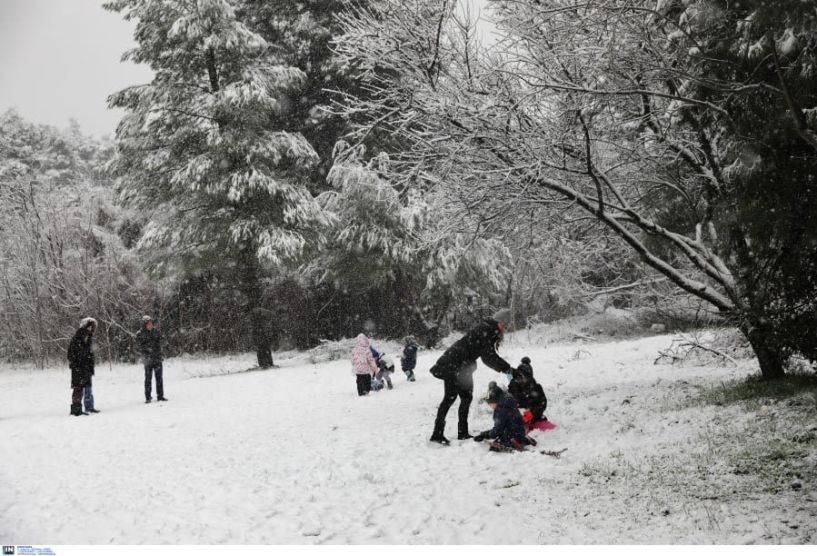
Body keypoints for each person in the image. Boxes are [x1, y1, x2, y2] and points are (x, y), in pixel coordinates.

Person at [428, 308, 514, 445]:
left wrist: (506, 368)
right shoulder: (486, 330)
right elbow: (488, 357)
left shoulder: (490, 330)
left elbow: (487, 355)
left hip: (464, 367)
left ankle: (462, 432)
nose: (505, 328)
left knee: (466, 398)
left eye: (506, 326)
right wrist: (507, 368)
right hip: (453, 364)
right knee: (449, 399)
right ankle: (437, 434)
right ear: (498, 322)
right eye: (504, 325)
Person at [473, 382, 535, 452]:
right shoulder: (508, 401)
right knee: (509, 429)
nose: (491, 407)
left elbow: (497, 430)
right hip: (519, 431)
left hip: (510, 434)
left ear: (494, 401)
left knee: (494, 447)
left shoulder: (501, 410)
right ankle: (520, 439)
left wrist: (484, 435)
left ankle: (513, 442)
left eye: (490, 404)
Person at [67, 317, 99, 416]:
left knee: (88, 387)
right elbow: (71, 355)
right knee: (78, 388)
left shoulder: (88, 338)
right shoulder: (77, 338)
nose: (91, 330)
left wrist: (90, 363)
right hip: (78, 368)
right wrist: (79, 362)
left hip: (86, 368)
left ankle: (89, 407)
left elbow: (89, 353)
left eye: (92, 328)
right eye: (89, 328)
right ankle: (76, 409)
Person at [508, 356, 548, 424]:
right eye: (519, 376)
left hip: (532, 415)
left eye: (524, 377)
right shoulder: (513, 385)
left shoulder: (535, 387)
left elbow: (541, 404)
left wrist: (530, 415)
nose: (521, 379)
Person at [136, 315, 167, 403]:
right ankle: (148, 397)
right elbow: (138, 347)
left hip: (157, 358)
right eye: (148, 324)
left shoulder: (156, 331)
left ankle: (160, 396)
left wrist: (160, 346)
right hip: (147, 360)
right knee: (148, 379)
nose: (150, 325)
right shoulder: (139, 334)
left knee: (159, 378)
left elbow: (163, 341)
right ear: (144, 324)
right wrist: (147, 349)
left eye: (151, 323)